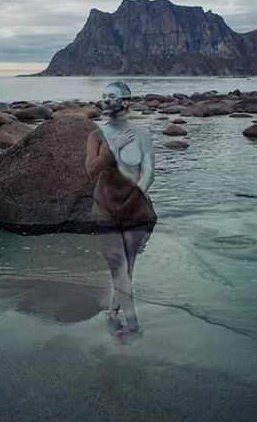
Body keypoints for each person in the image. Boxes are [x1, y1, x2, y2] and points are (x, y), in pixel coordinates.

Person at [84, 81, 156, 337]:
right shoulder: (96, 135)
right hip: (105, 210)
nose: (106, 101)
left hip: (136, 211)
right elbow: (90, 171)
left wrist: (135, 198)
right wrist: (112, 149)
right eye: (103, 97)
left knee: (128, 267)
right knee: (118, 265)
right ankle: (134, 325)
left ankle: (114, 310)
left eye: (112, 97)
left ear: (126, 101)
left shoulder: (142, 134)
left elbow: (149, 172)